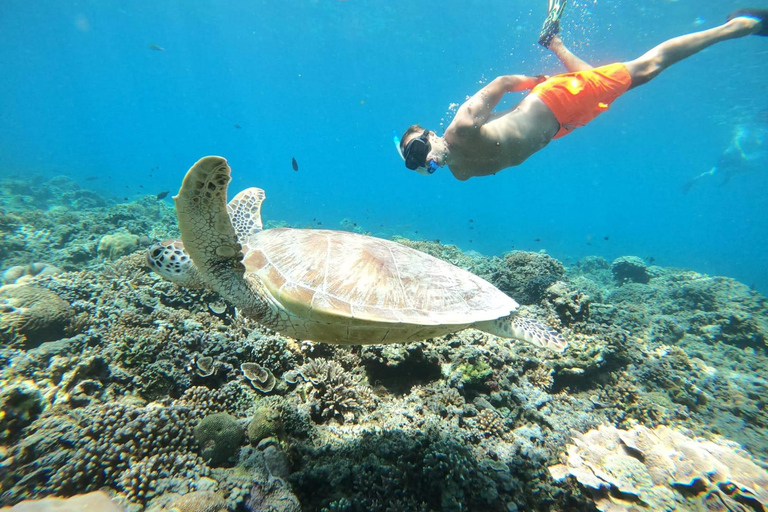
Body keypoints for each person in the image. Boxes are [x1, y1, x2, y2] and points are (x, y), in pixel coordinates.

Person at [396, 1, 767, 181]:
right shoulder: (459, 173)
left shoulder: (461, 126)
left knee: (645, 70)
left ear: (430, 133)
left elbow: (501, 84)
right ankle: (554, 42)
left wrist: (537, 83)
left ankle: (736, 27)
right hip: (561, 125)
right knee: (604, 88)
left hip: (555, 100)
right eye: (412, 163)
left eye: (417, 149)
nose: (420, 160)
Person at [683, 119, 768, 193]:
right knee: (713, 172)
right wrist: (743, 156)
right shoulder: (739, 137)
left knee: (746, 168)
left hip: (732, 160)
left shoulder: (746, 139)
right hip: (726, 159)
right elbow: (737, 147)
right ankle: (693, 181)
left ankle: (729, 174)